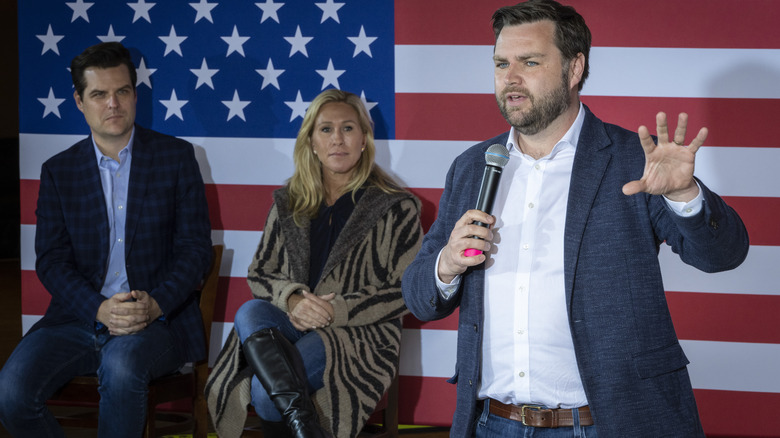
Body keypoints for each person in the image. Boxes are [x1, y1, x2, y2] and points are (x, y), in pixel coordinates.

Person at [401, 1, 750, 437]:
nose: (511, 78)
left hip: (610, 423)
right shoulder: (474, 166)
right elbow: (418, 297)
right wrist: (447, 266)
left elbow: (723, 255)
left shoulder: (632, 160)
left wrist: (684, 194)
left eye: (530, 62)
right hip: (493, 423)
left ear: (574, 68)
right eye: (501, 63)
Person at [0, 42, 212, 438]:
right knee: (10, 393)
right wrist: (98, 309)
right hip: (78, 319)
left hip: (157, 323)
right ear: (80, 101)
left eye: (123, 91)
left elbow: (195, 250)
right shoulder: (59, 171)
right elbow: (50, 259)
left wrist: (155, 304)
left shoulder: (177, 157)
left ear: (135, 94)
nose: (113, 103)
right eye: (99, 94)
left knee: (121, 367)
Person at [205, 89, 423, 438]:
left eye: (348, 128)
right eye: (326, 129)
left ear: (365, 139)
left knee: (265, 394)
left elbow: (407, 289)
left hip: (357, 334)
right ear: (311, 142)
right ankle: (308, 429)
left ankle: (304, 429)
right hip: (293, 321)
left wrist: (335, 310)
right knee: (249, 313)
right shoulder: (288, 202)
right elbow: (260, 273)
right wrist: (293, 300)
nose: (337, 139)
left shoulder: (397, 207)